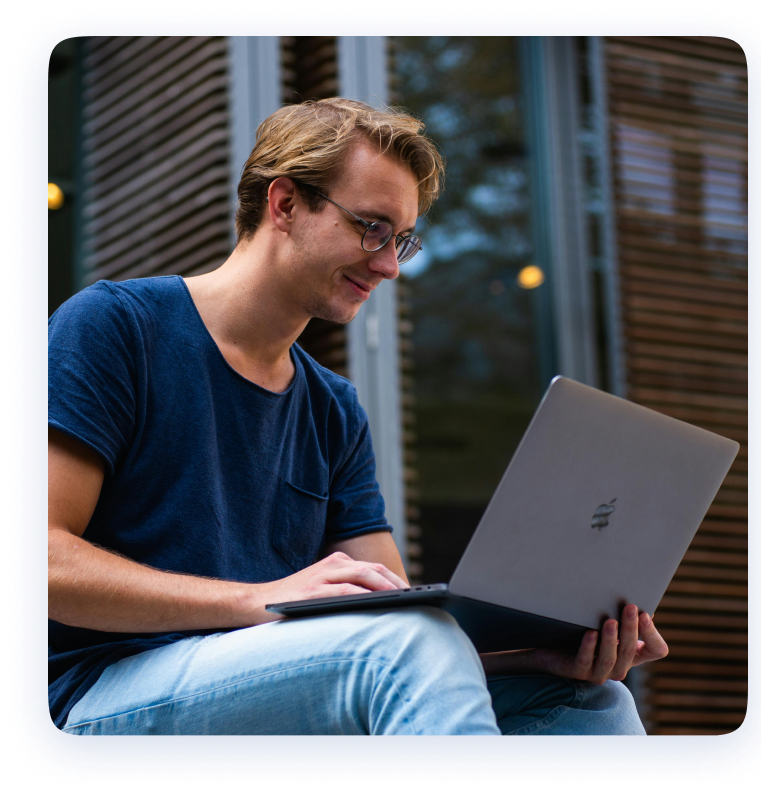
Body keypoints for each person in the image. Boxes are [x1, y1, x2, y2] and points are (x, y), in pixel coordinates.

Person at [48, 98, 667, 737]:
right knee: (402, 646)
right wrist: (255, 600)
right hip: (98, 695)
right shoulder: (116, 327)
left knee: (590, 703)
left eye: (401, 239)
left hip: (270, 681)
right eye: (372, 227)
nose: (390, 265)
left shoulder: (333, 408)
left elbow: (398, 615)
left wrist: (534, 655)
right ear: (284, 204)